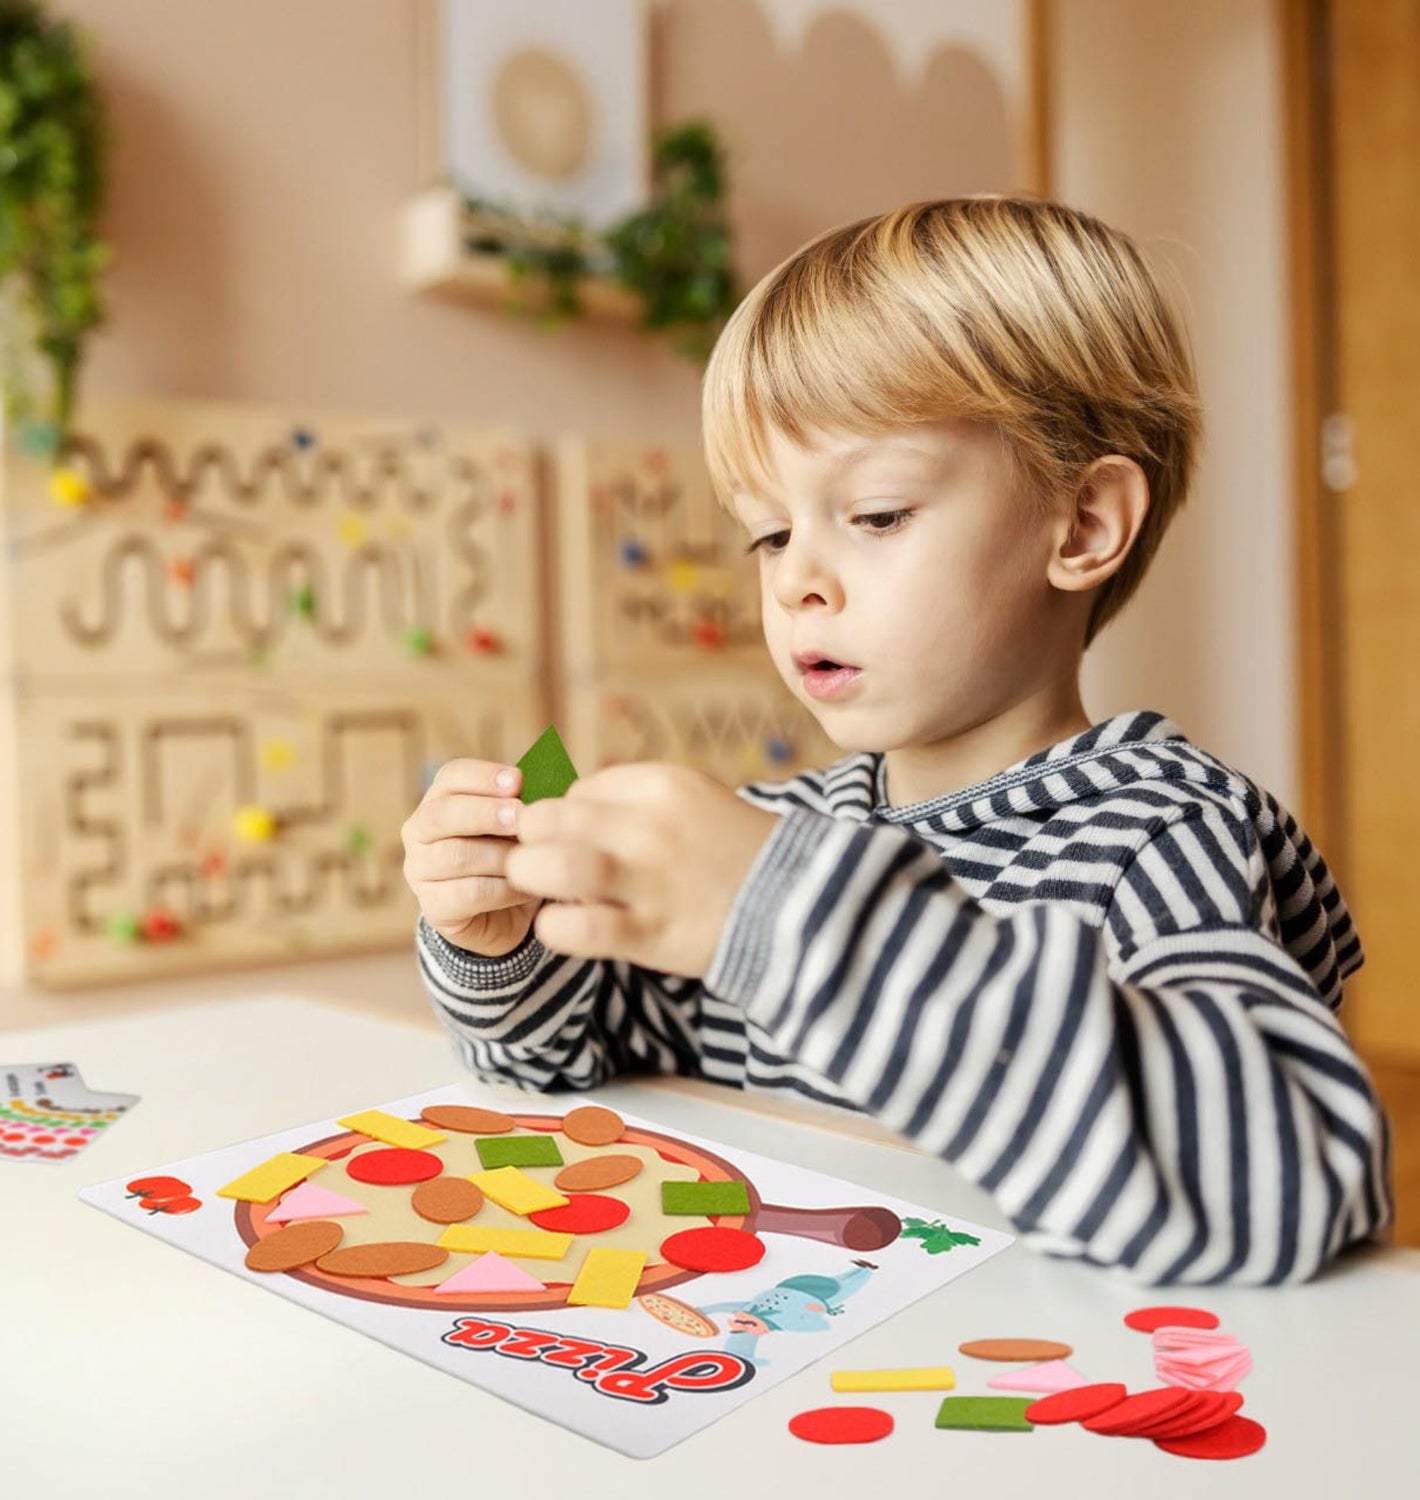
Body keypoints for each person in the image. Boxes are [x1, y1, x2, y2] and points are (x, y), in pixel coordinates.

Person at [401, 196, 1393, 1287]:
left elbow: (1284, 1186)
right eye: (770, 532)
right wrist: (505, 949)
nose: (795, 579)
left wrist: (783, 913)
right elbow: (560, 1065)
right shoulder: (783, 830)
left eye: (873, 515)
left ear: (1082, 526)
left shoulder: (1155, 835)